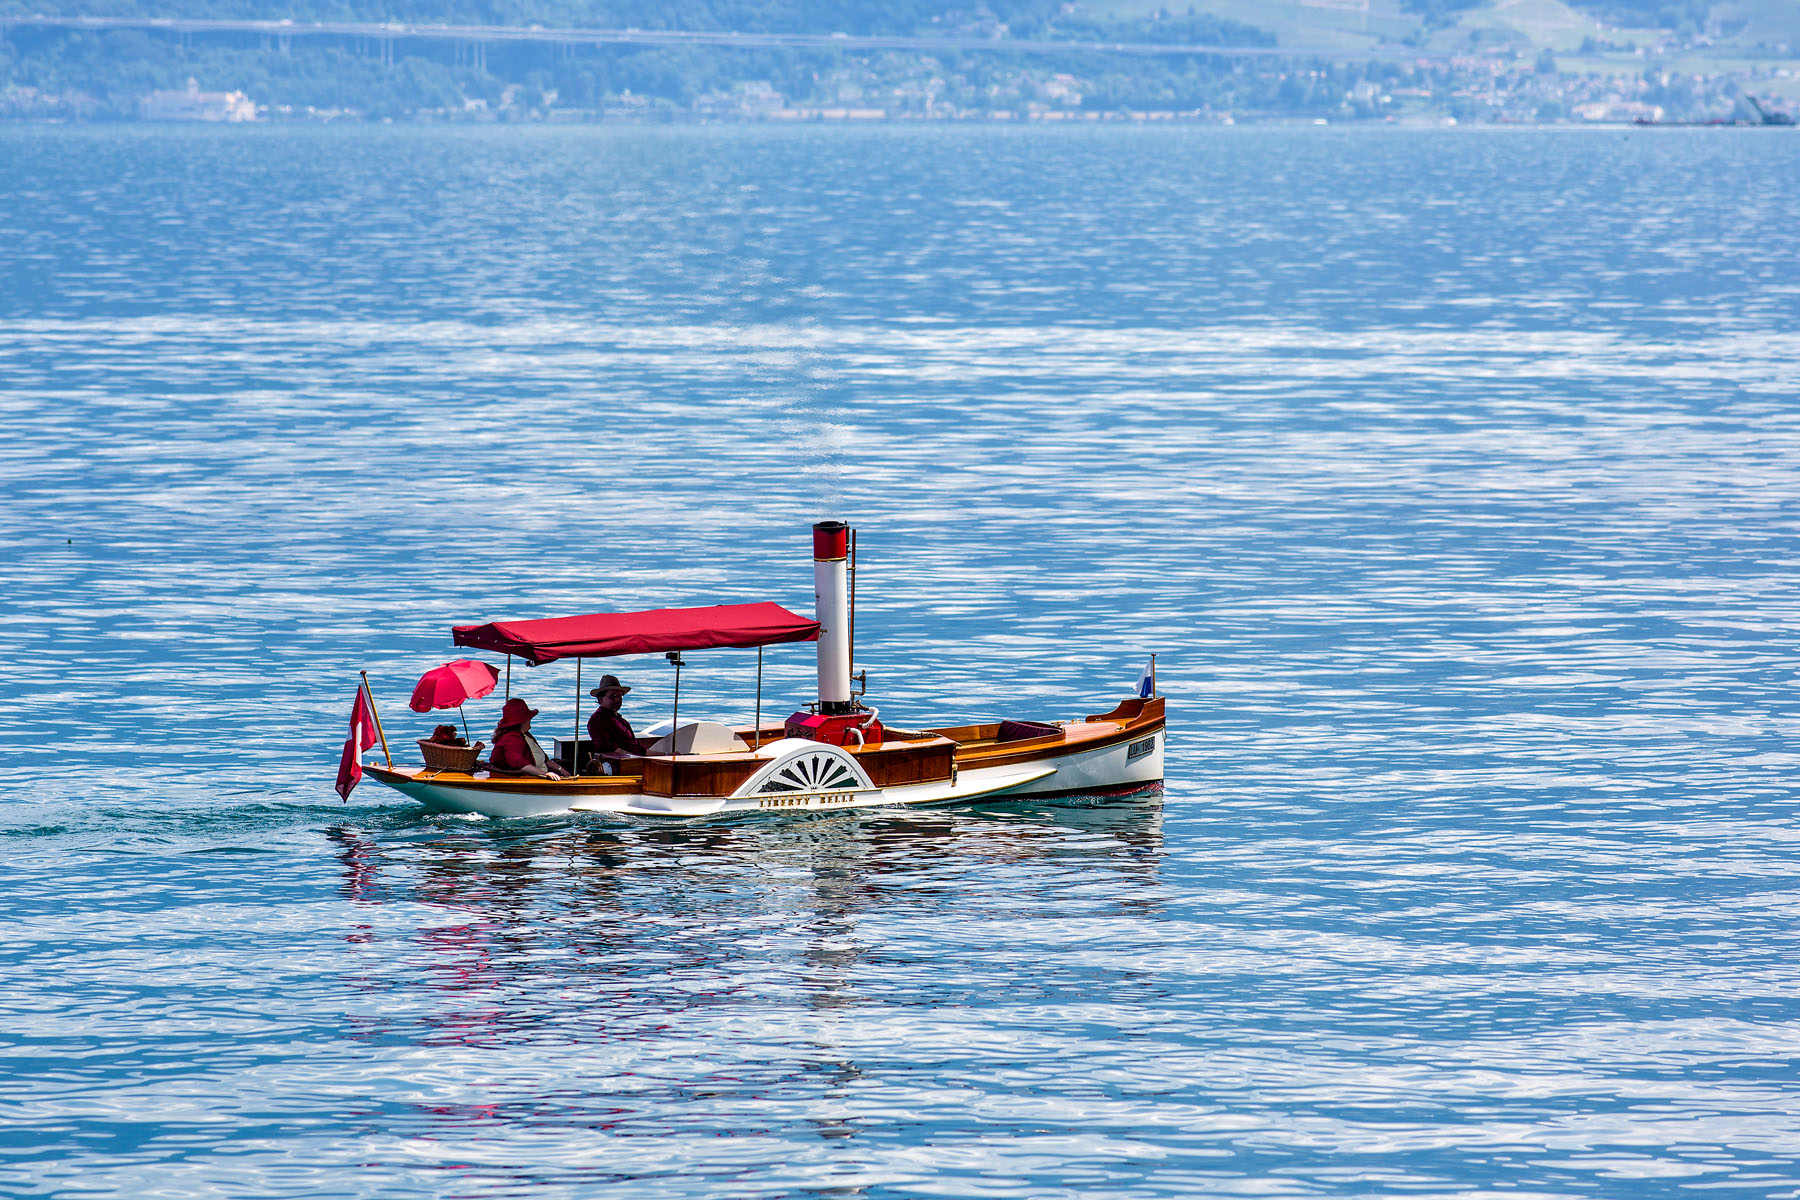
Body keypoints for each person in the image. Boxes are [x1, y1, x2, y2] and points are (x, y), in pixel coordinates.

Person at [488, 697, 570, 779]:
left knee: (569, 763)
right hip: (522, 778)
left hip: (541, 770)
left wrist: (560, 769)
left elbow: (545, 759)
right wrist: (545, 774)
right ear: (522, 720)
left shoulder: (525, 734)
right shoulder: (511, 739)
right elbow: (519, 763)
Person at [586, 674, 640, 766]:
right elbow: (609, 749)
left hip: (634, 760)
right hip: (618, 766)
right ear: (600, 698)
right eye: (613, 696)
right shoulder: (598, 720)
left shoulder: (622, 721)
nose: (617, 699)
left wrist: (663, 754)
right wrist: (637, 758)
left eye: (619, 696)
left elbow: (637, 748)